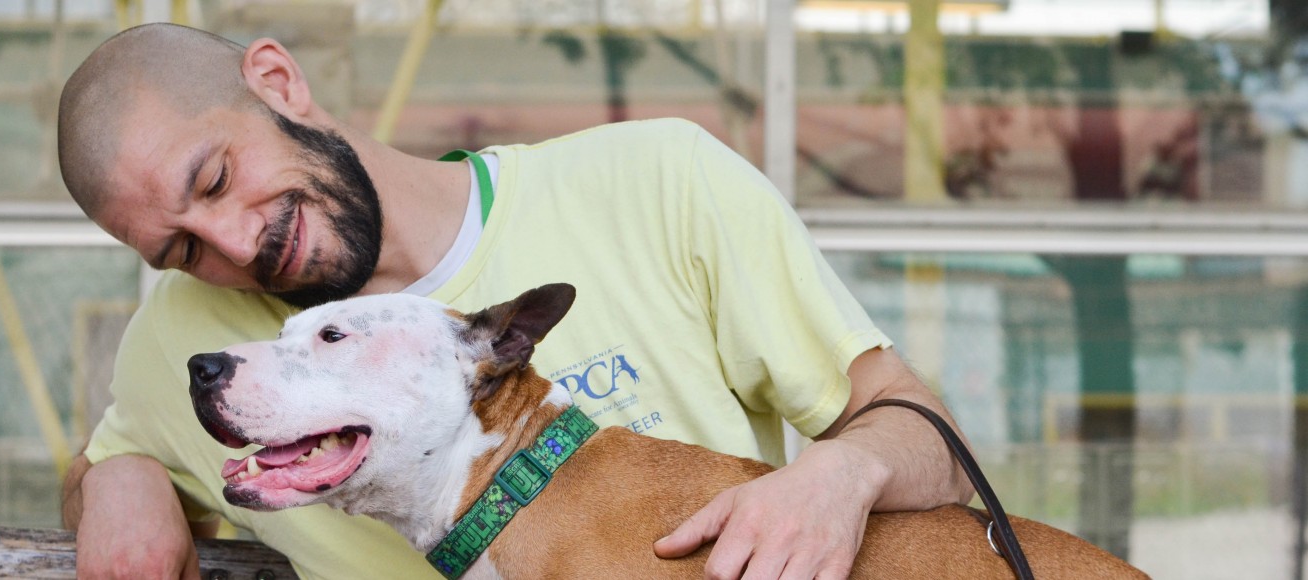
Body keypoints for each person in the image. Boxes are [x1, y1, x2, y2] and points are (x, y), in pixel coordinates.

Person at [57, 22, 974, 580]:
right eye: (177, 248)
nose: (232, 245)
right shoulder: (185, 342)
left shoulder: (657, 180)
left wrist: (841, 474)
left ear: (277, 83)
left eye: (216, 179)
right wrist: (119, 480)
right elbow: (105, 460)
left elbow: (924, 432)